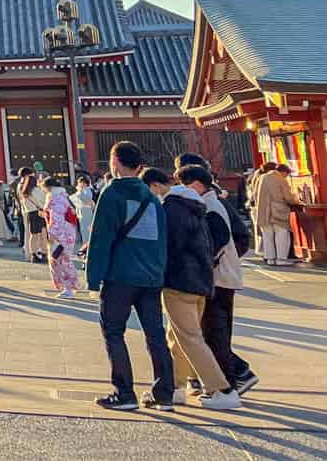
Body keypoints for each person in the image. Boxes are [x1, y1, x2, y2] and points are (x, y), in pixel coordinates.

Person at [86, 141, 173, 412]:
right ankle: (165, 392)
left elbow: (101, 238)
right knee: (155, 334)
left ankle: (124, 392)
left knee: (114, 332)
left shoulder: (113, 194)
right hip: (150, 276)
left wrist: (93, 277)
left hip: (121, 275)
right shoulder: (152, 198)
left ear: (115, 162)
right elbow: (162, 240)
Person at [153, 164, 242, 410]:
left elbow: (172, 246)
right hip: (201, 281)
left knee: (190, 337)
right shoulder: (198, 206)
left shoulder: (172, 209)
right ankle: (177, 387)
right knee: (179, 336)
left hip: (179, 281)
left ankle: (221, 388)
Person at [175, 154, 258, 398]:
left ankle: (230, 382)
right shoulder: (211, 202)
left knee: (214, 334)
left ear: (196, 184)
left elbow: (219, 239)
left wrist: (204, 263)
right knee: (211, 332)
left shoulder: (210, 206)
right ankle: (228, 378)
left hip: (217, 278)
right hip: (221, 276)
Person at [42, 177, 80, 298]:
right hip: (67, 232)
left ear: (48, 187)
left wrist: (53, 234)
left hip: (60, 235)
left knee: (60, 261)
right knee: (64, 260)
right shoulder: (62, 196)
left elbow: (57, 219)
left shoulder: (55, 198)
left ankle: (68, 288)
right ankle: (70, 286)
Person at [254, 162, 296, 267]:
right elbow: (288, 197)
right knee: (281, 234)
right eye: (287, 174)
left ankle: (270, 259)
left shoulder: (262, 177)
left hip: (263, 211)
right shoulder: (281, 179)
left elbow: (255, 194)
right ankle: (281, 259)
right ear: (284, 172)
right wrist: (296, 200)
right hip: (277, 211)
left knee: (267, 236)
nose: (286, 177)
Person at [17, 171, 47, 262]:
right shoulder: (36, 190)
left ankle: (33, 254)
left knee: (33, 235)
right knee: (43, 234)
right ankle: (44, 253)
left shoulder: (24, 192)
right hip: (39, 213)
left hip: (30, 213)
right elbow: (44, 200)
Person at [73, 174, 97, 254]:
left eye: (80, 182)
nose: (79, 184)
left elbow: (86, 199)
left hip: (86, 212)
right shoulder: (84, 190)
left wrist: (79, 192)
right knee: (84, 231)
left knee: (86, 231)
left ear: (85, 183)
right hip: (82, 212)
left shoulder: (87, 190)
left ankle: (87, 248)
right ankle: (86, 247)